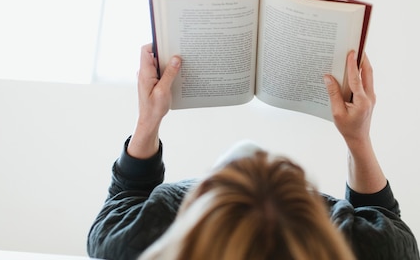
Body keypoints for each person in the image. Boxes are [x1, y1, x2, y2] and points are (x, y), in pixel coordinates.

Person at [87, 44, 419, 260]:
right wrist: (357, 139)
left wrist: (148, 120)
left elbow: (126, 195)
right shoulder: (357, 248)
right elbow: (384, 221)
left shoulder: (133, 243)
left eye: (217, 181)